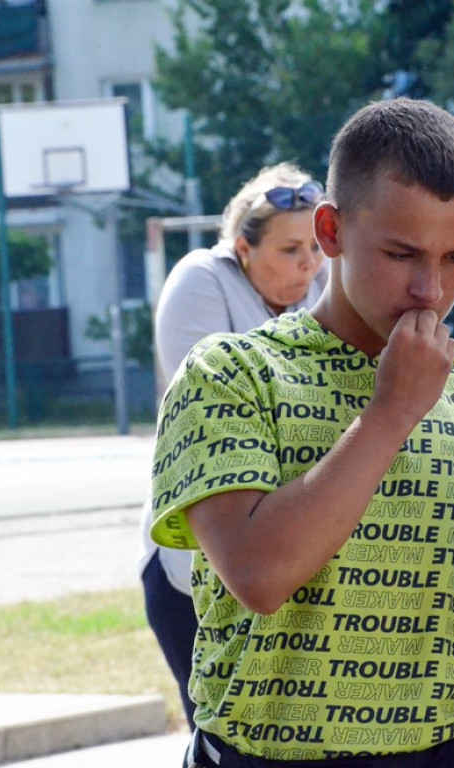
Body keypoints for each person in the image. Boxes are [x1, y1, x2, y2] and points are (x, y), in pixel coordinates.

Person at [150, 97, 454, 768]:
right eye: (401, 254)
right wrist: (389, 414)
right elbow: (259, 574)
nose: (430, 290)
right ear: (332, 231)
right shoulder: (231, 373)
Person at [138, 162, 328, 729]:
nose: (309, 263)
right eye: (291, 249)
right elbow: (214, 416)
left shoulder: (319, 284)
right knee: (223, 738)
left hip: (285, 558)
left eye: (316, 248)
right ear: (243, 248)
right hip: (194, 569)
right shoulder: (202, 278)